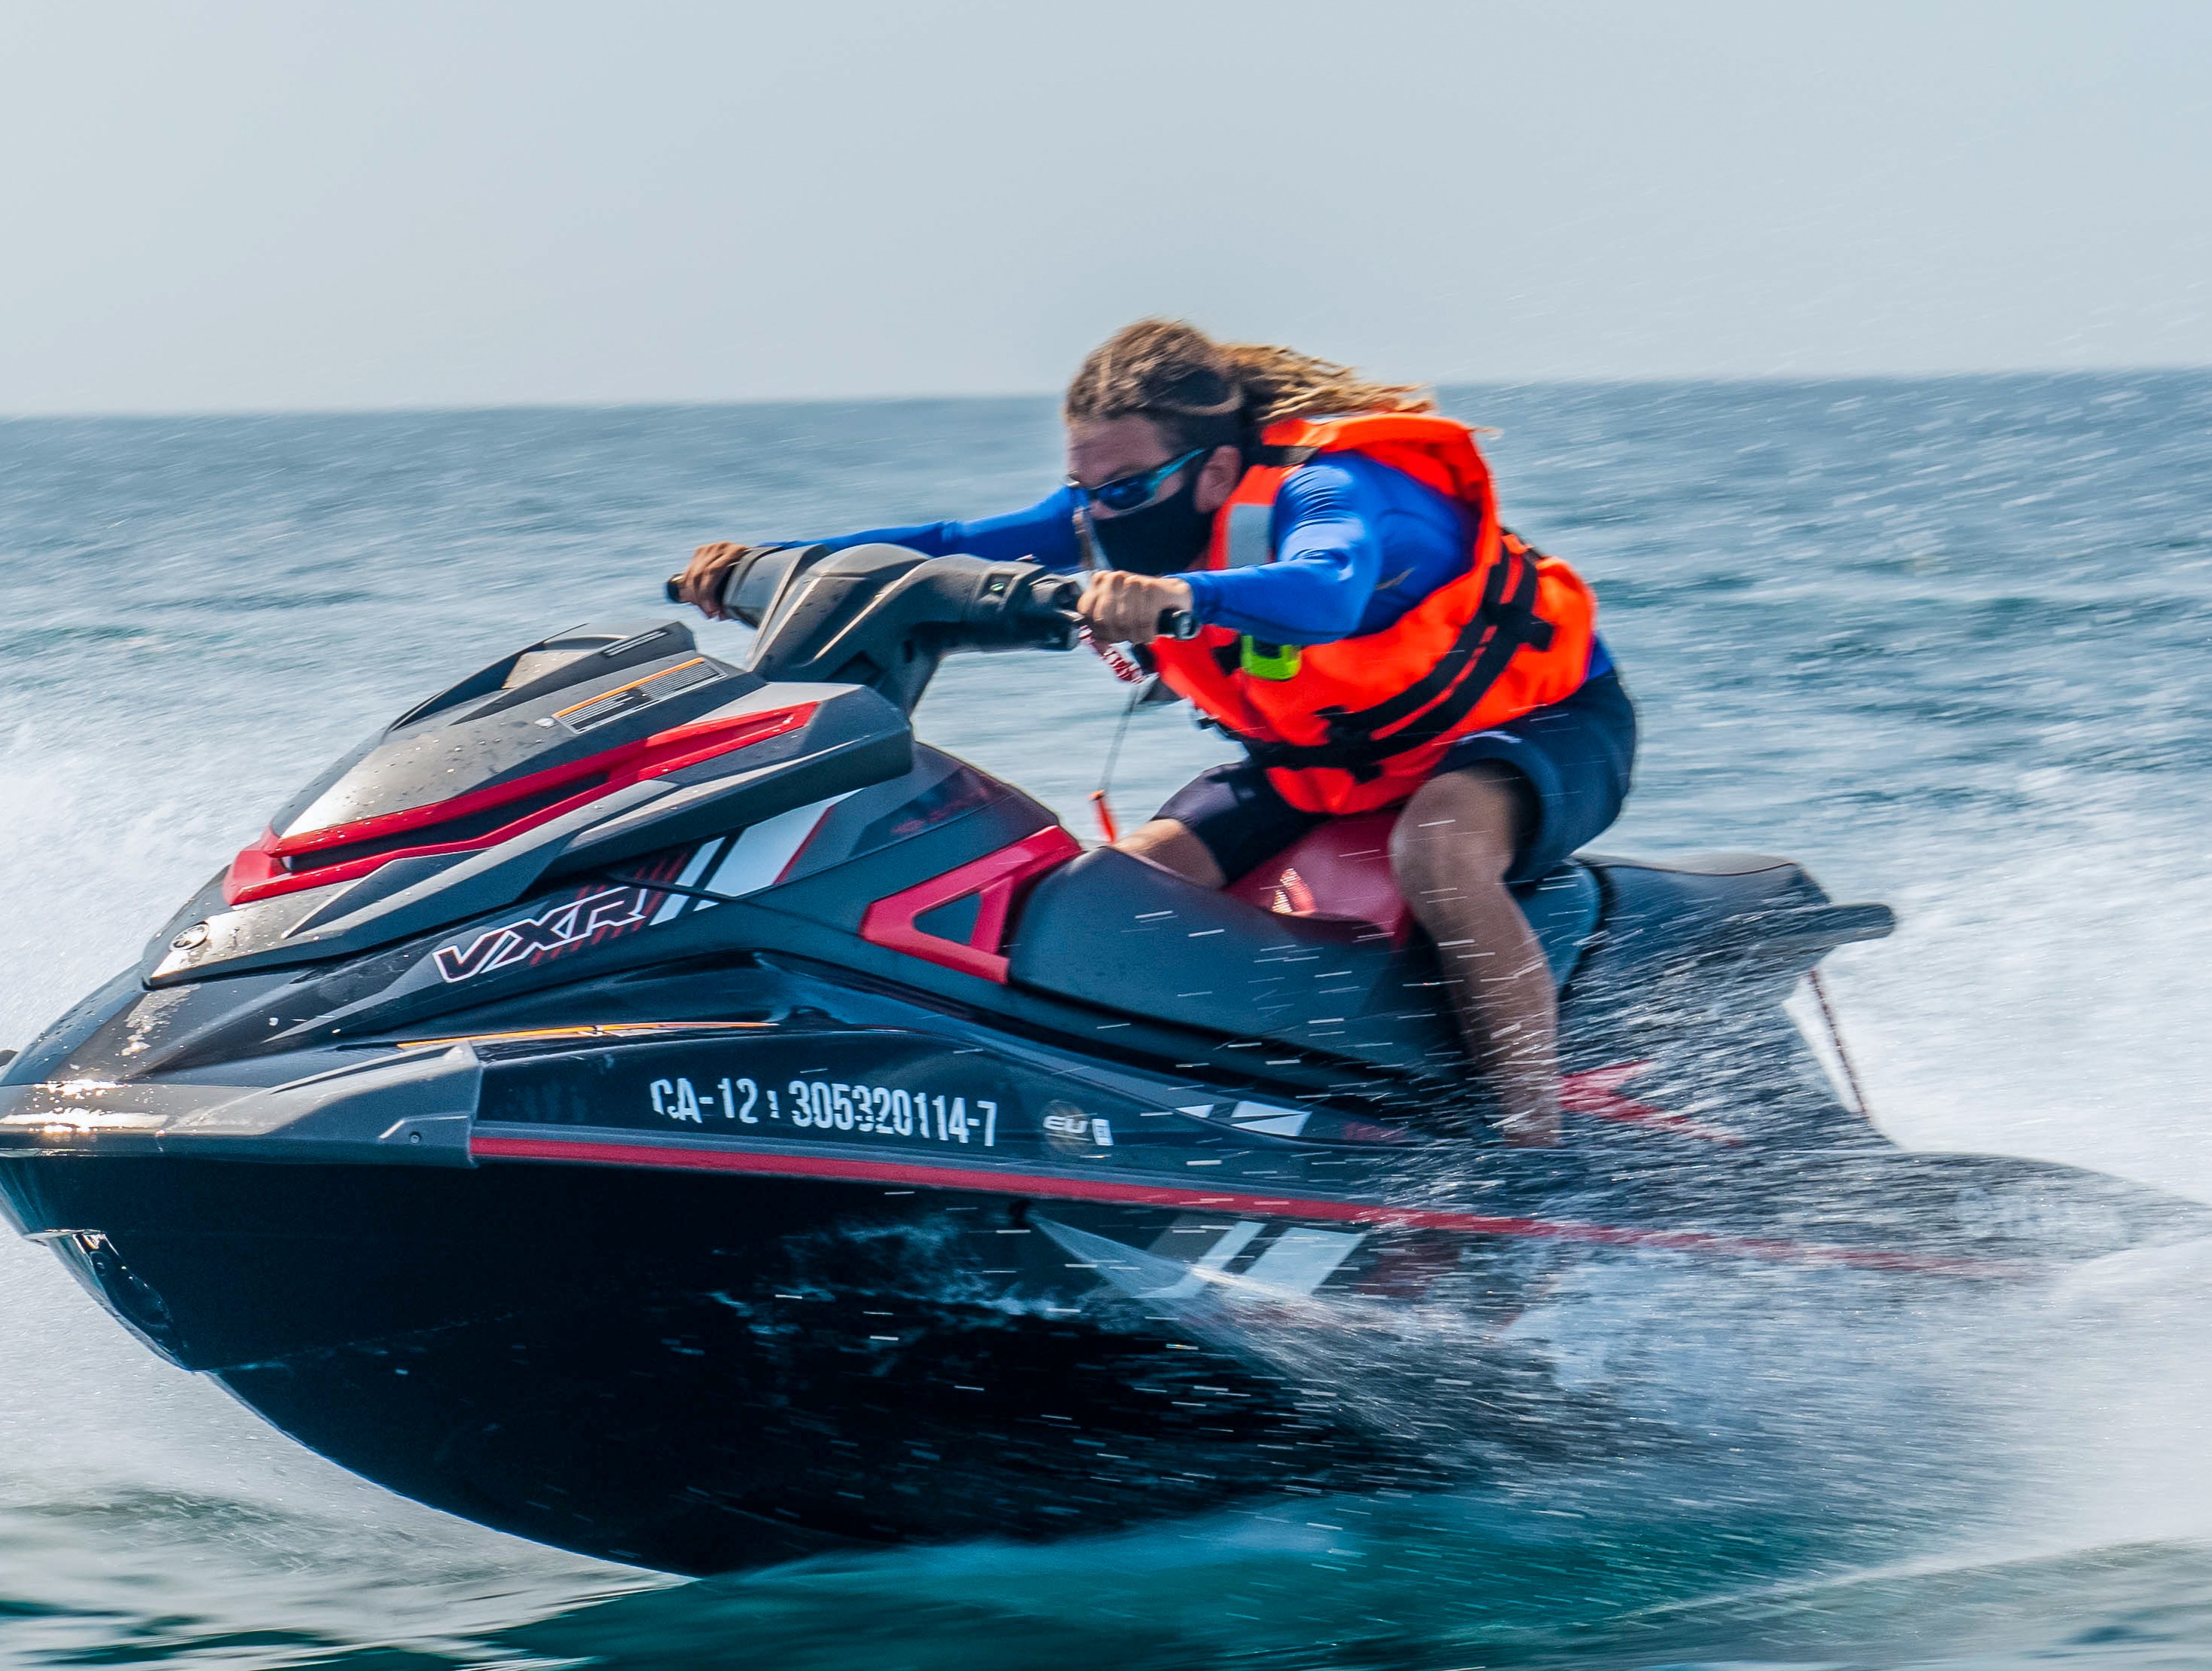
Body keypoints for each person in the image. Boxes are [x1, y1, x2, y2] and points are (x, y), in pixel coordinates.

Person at [676, 320, 1632, 1144]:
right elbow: (947, 545)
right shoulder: (1110, 507)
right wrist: (777, 563)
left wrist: (1180, 595)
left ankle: (1528, 1143)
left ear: (1213, 470)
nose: (1098, 514)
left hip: (1529, 727)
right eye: (1083, 487)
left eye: (1124, 488)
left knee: (1438, 849)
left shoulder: (1333, 488)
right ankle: (1156, 1116)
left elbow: (1328, 589)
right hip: (1321, 763)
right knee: (1114, 889)